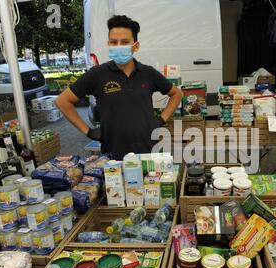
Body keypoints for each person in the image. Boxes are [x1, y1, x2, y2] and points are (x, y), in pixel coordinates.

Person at [55, 15, 183, 160]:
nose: (118, 46)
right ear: (108, 44)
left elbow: (176, 94)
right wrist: (88, 131)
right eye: (114, 42)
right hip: (113, 156)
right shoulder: (97, 74)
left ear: (136, 46)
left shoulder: (148, 73)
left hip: (148, 152)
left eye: (125, 42)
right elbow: (62, 101)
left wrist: (161, 120)